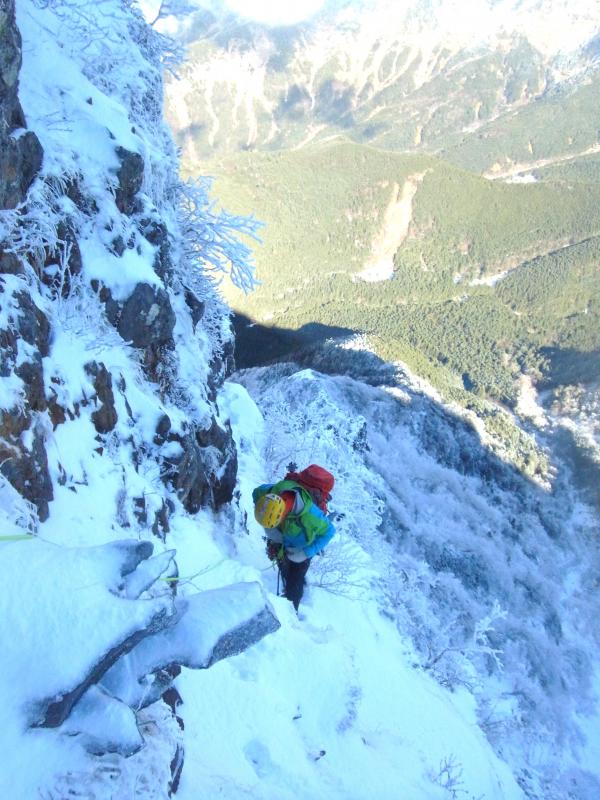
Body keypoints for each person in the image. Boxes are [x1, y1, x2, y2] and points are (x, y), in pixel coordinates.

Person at [252, 464, 336, 610]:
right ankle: (286, 581)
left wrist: (305, 553)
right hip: (281, 540)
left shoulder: (311, 515)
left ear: (284, 514)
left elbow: (329, 532)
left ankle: (292, 611)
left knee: (295, 582)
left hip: (302, 547)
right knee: (284, 568)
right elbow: (256, 493)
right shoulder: (272, 492)